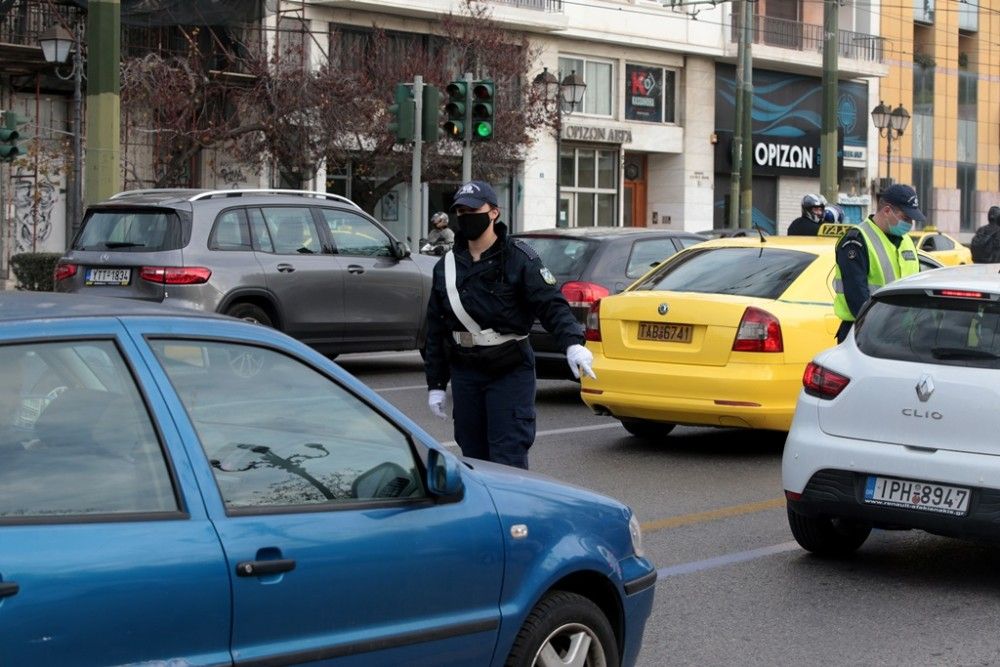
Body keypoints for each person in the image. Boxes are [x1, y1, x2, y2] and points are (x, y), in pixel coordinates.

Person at [423, 180, 594, 469]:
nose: (466, 216)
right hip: (466, 370)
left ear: (494, 213)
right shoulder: (447, 265)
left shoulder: (519, 258)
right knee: (473, 458)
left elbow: (550, 303)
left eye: (474, 209)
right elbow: (436, 327)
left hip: (509, 370)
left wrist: (572, 343)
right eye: (460, 211)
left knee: (508, 458)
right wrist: (437, 383)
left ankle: (515, 514)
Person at [833, 184, 924, 343]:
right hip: (864, 332)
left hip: (900, 333)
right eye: (906, 218)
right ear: (887, 210)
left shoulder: (906, 241)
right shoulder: (856, 240)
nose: (909, 223)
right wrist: (879, 330)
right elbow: (857, 297)